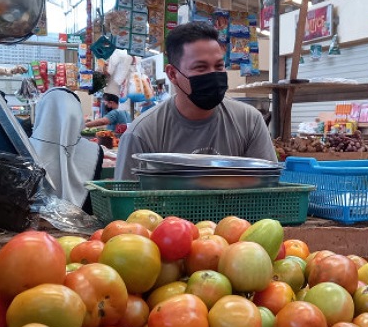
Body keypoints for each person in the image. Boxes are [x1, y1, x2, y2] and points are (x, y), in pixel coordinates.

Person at [114, 21, 277, 179]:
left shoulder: (250, 121)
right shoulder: (141, 134)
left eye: (219, 66)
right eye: (201, 67)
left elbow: (269, 191)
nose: (213, 75)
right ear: (172, 74)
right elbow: (129, 204)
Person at [30, 87, 103, 213]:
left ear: (41, 112)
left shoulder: (25, 148)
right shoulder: (95, 151)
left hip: (32, 226)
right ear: (77, 116)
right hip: (82, 226)